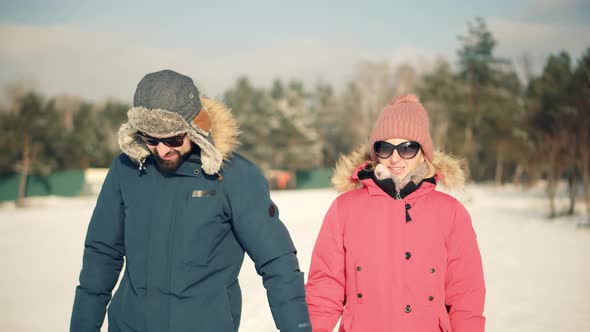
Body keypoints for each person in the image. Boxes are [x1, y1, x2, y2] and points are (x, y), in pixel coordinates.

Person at [70, 70, 312, 332]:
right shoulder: (126, 171)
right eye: (151, 139)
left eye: (174, 138)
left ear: (196, 127)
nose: (162, 150)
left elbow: (278, 264)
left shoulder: (233, 178)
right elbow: (101, 257)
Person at [305, 95, 485, 331]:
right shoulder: (344, 209)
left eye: (407, 148)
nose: (395, 158)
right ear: (375, 152)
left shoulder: (451, 213)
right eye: (386, 148)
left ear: (424, 152)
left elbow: (465, 294)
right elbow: (325, 288)